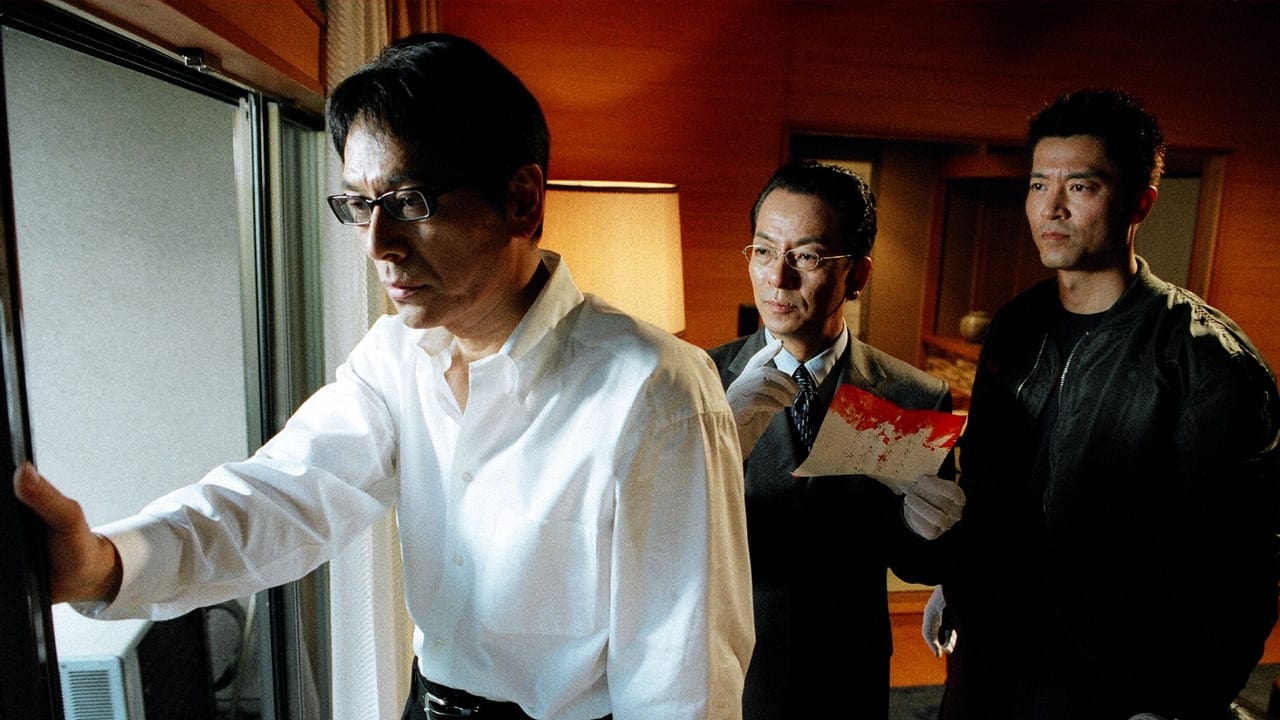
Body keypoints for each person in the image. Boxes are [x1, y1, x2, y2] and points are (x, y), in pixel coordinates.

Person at [14, 33, 755, 720]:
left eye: (408, 202)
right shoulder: (395, 355)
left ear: (521, 200)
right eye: (360, 205)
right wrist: (104, 565)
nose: (378, 244)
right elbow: (280, 496)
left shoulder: (656, 392)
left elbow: (681, 679)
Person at [925, 89, 1280, 719]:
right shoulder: (1014, 327)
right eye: (1039, 185)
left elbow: (1243, 565)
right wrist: (954, 581)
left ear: (1140, 202)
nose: (1051, 208)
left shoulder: (1205, 359)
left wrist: (1180, 701)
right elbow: (982, 475)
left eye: (1081, 187)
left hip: (1116, 679)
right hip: (991, 653)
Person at [708, 159, 966, 719]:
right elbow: (658, 539)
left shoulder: (915, 394)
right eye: (763, 251)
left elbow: (918, 563)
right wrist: (718, 440)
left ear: (858, 274)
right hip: (727, 670)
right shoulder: (699, 381)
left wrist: (925, 530)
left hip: (848, 671)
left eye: (806, 257)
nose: (778, 278)